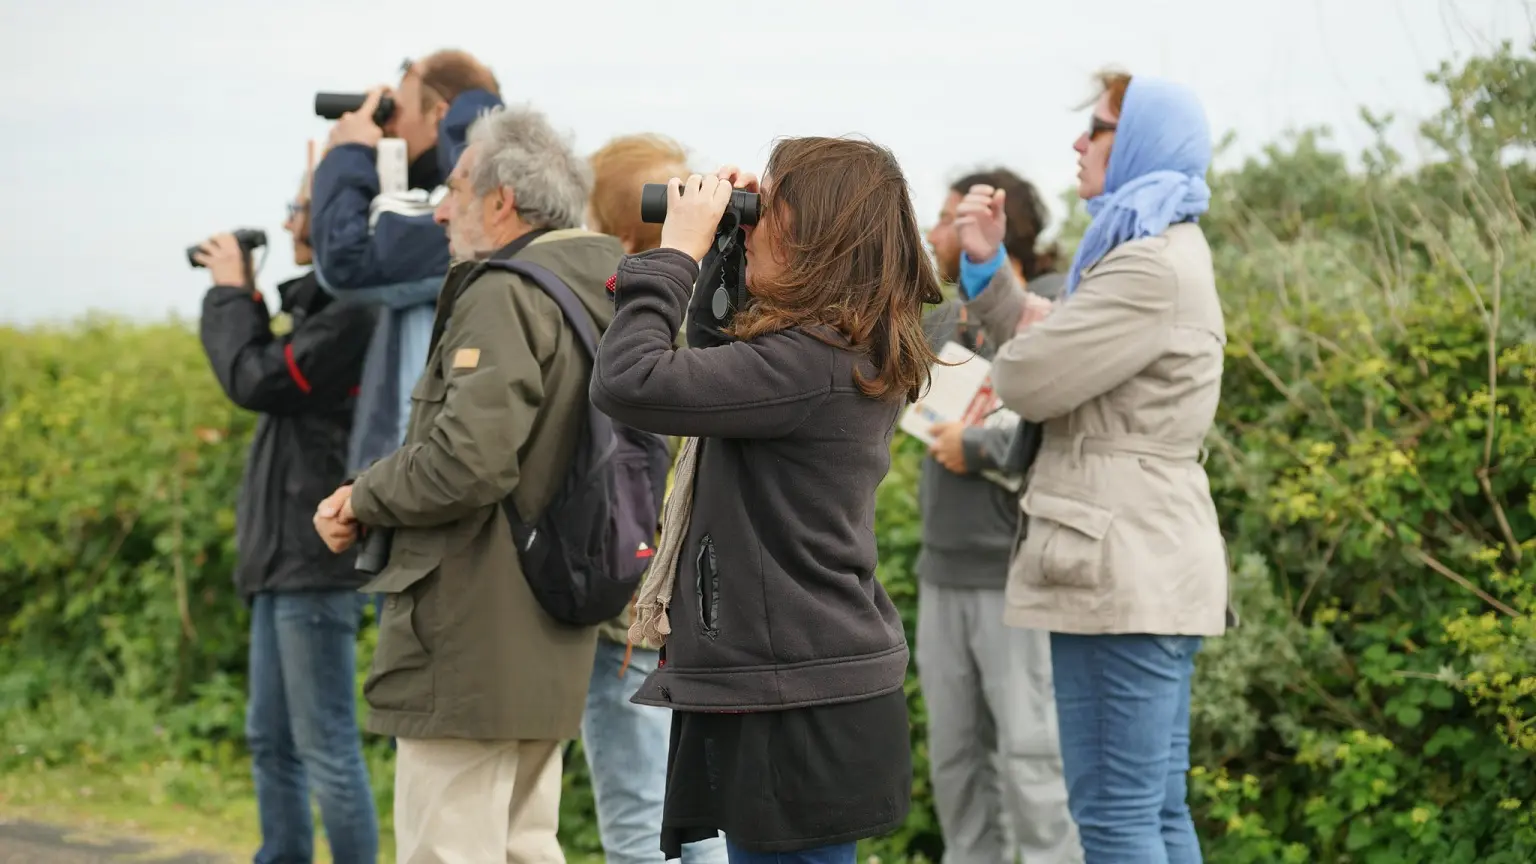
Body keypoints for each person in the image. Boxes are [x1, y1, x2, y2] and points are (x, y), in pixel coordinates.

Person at [590, 138, 943, 864]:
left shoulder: (808, 366)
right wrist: (728, 244)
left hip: (795, 694)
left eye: (768, 208)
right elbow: (720, 352)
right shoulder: (832, 352)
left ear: (815, 235)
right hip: (799, 677)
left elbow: (629, 380)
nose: (751, 220)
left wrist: (678, 253)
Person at [311, 104, 624, 862]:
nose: (441, 209)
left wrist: (363, 494)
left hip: (470, 633)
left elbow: (468, 460)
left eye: (454, 188)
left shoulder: (502, 291)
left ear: (500, 201)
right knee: (523, 843)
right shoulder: (595, 293)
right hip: (549, 625)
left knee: (447, 847)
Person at [953, 71, 1230, 863]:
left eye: (1098, 128)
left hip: (1121, 569)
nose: (1079, 142)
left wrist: (1022, 345)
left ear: (1137, 142)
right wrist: (990, 272)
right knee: (1155, 813)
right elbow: (1050, 338)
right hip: (1147, 562)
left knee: (1113, 819)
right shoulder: (1150, 248)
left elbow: (1028, 378)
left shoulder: (1146, 266)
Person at [192, 168, 379, 864]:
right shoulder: (322, 310)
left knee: (326, 745)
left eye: (302, 208)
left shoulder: (353, 314)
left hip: (314, 564)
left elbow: (258, 378)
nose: (292, 221)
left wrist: (229, 293)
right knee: (271, 741)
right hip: (279, 564)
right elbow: (268, 365)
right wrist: (243, 296)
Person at [917, 167, 1082, 864]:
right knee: (955, 761)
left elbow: (1065, 418)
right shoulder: (939, 316)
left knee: (1030, 758)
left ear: (991, 226)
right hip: (941, 572)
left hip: (1013, 574)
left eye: (949, 219)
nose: (935, 232)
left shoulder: (1053, 305)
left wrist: (980, 446)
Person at [580, 132, 728, 864]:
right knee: (701, 820)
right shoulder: (721, 312)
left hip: (632, 603)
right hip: (705, 599)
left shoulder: (624, 322)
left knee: (639, 819)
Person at [310, 50, 502, 474]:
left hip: (425, 478)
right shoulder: (476, 196)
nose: (389, 123)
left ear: (440, 114)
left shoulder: (468, 208)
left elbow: (346, 261)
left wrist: (350, 153)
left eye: (396, 109)